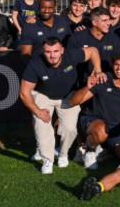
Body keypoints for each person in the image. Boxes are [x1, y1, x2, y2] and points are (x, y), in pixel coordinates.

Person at [19, 38, 105, 174]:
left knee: (70, 129)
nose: (52, 55)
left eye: (56, 51)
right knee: (41, 123)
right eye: (48, 52)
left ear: (62, 51)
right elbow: (24, 92)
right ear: (43, 52)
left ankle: (63, 154)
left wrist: (98, 70)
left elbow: (93, 51)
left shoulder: (71, 55)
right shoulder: (35, 64)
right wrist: (37, 110)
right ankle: (47, 160)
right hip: (43, 96)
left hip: (68, 96)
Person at [70, 51, 120, 170]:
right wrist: (87, 87)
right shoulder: (103, 80)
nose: (119, 68)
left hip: (116, 127)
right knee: (101, 131)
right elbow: (73, 102)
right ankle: (90, 151)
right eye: (116, 65)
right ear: (112, 65)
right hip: (94, 121)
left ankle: (104, 150)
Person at [68, 7, 120, 79]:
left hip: (108, 81)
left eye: (109, 19)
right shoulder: (77, 37)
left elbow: (118, 61)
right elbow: (69, 61)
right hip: (83, 83)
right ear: (94, 22)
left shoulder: (114, 38)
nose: (109, 23)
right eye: (104, 20)